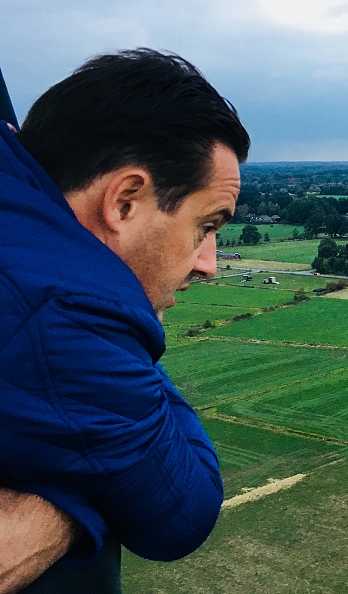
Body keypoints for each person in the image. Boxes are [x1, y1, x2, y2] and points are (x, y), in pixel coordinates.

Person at [0, 49, 251, 592]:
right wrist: (81, 504)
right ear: (125, 200)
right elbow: (182, 512)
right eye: (206, 226)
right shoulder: (66, 314)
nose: (208, 263)